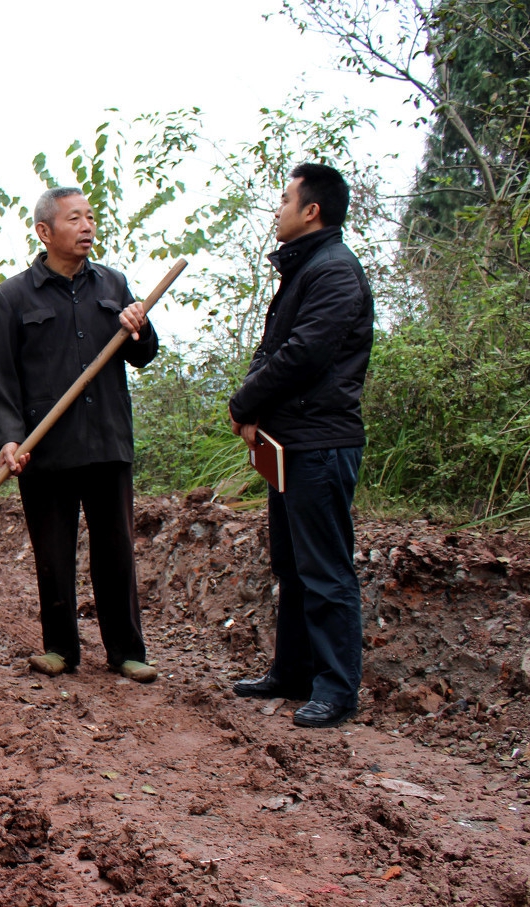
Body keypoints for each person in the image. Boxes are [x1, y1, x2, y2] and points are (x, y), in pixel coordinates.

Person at [0, 186, 159, 683]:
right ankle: (60, 648)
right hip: (46, 448)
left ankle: (127, 651)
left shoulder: (113, 284)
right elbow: (3, 380)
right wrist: (10, 439)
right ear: (44, 231)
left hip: (107, 440)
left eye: (90, 218)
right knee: (53, 552)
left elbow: (143, 354)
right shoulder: (13, 296)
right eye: (74, 219)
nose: (87, 227)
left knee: (116, 550)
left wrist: (139, 328)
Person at [228, 163, 374, 729]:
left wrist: (245, 404)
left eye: (285, 198)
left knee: (326, 569)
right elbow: (272, 349)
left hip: (320, 441)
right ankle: (292, 672)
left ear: (312, 209)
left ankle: (336, 690)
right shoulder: (304, 269)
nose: (277, 208)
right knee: (292, 564)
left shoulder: (335, 272)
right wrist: (255, 408)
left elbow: (305, 354)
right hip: (290, 442)